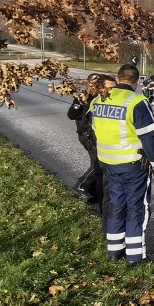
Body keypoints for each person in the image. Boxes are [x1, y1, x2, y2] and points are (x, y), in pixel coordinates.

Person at [90, 64, 154, 264]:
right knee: (137, 208)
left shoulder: (99, 100)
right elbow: (149, 138)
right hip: (133, 165)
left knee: (116, 204)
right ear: (138, 81)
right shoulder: (137, 101)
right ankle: (135, 257)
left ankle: (114, 251)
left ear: (117, 78)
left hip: (108, 163)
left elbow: (95, 128)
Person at [68, 72, 115, 212]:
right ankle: (82, 184)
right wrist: (84, 113)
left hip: (94, 134)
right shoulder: (85, 96)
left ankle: (94, 192)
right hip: (87, 134)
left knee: (97, 163)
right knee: (98, 163)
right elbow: (71, 114)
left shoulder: (101, 95)